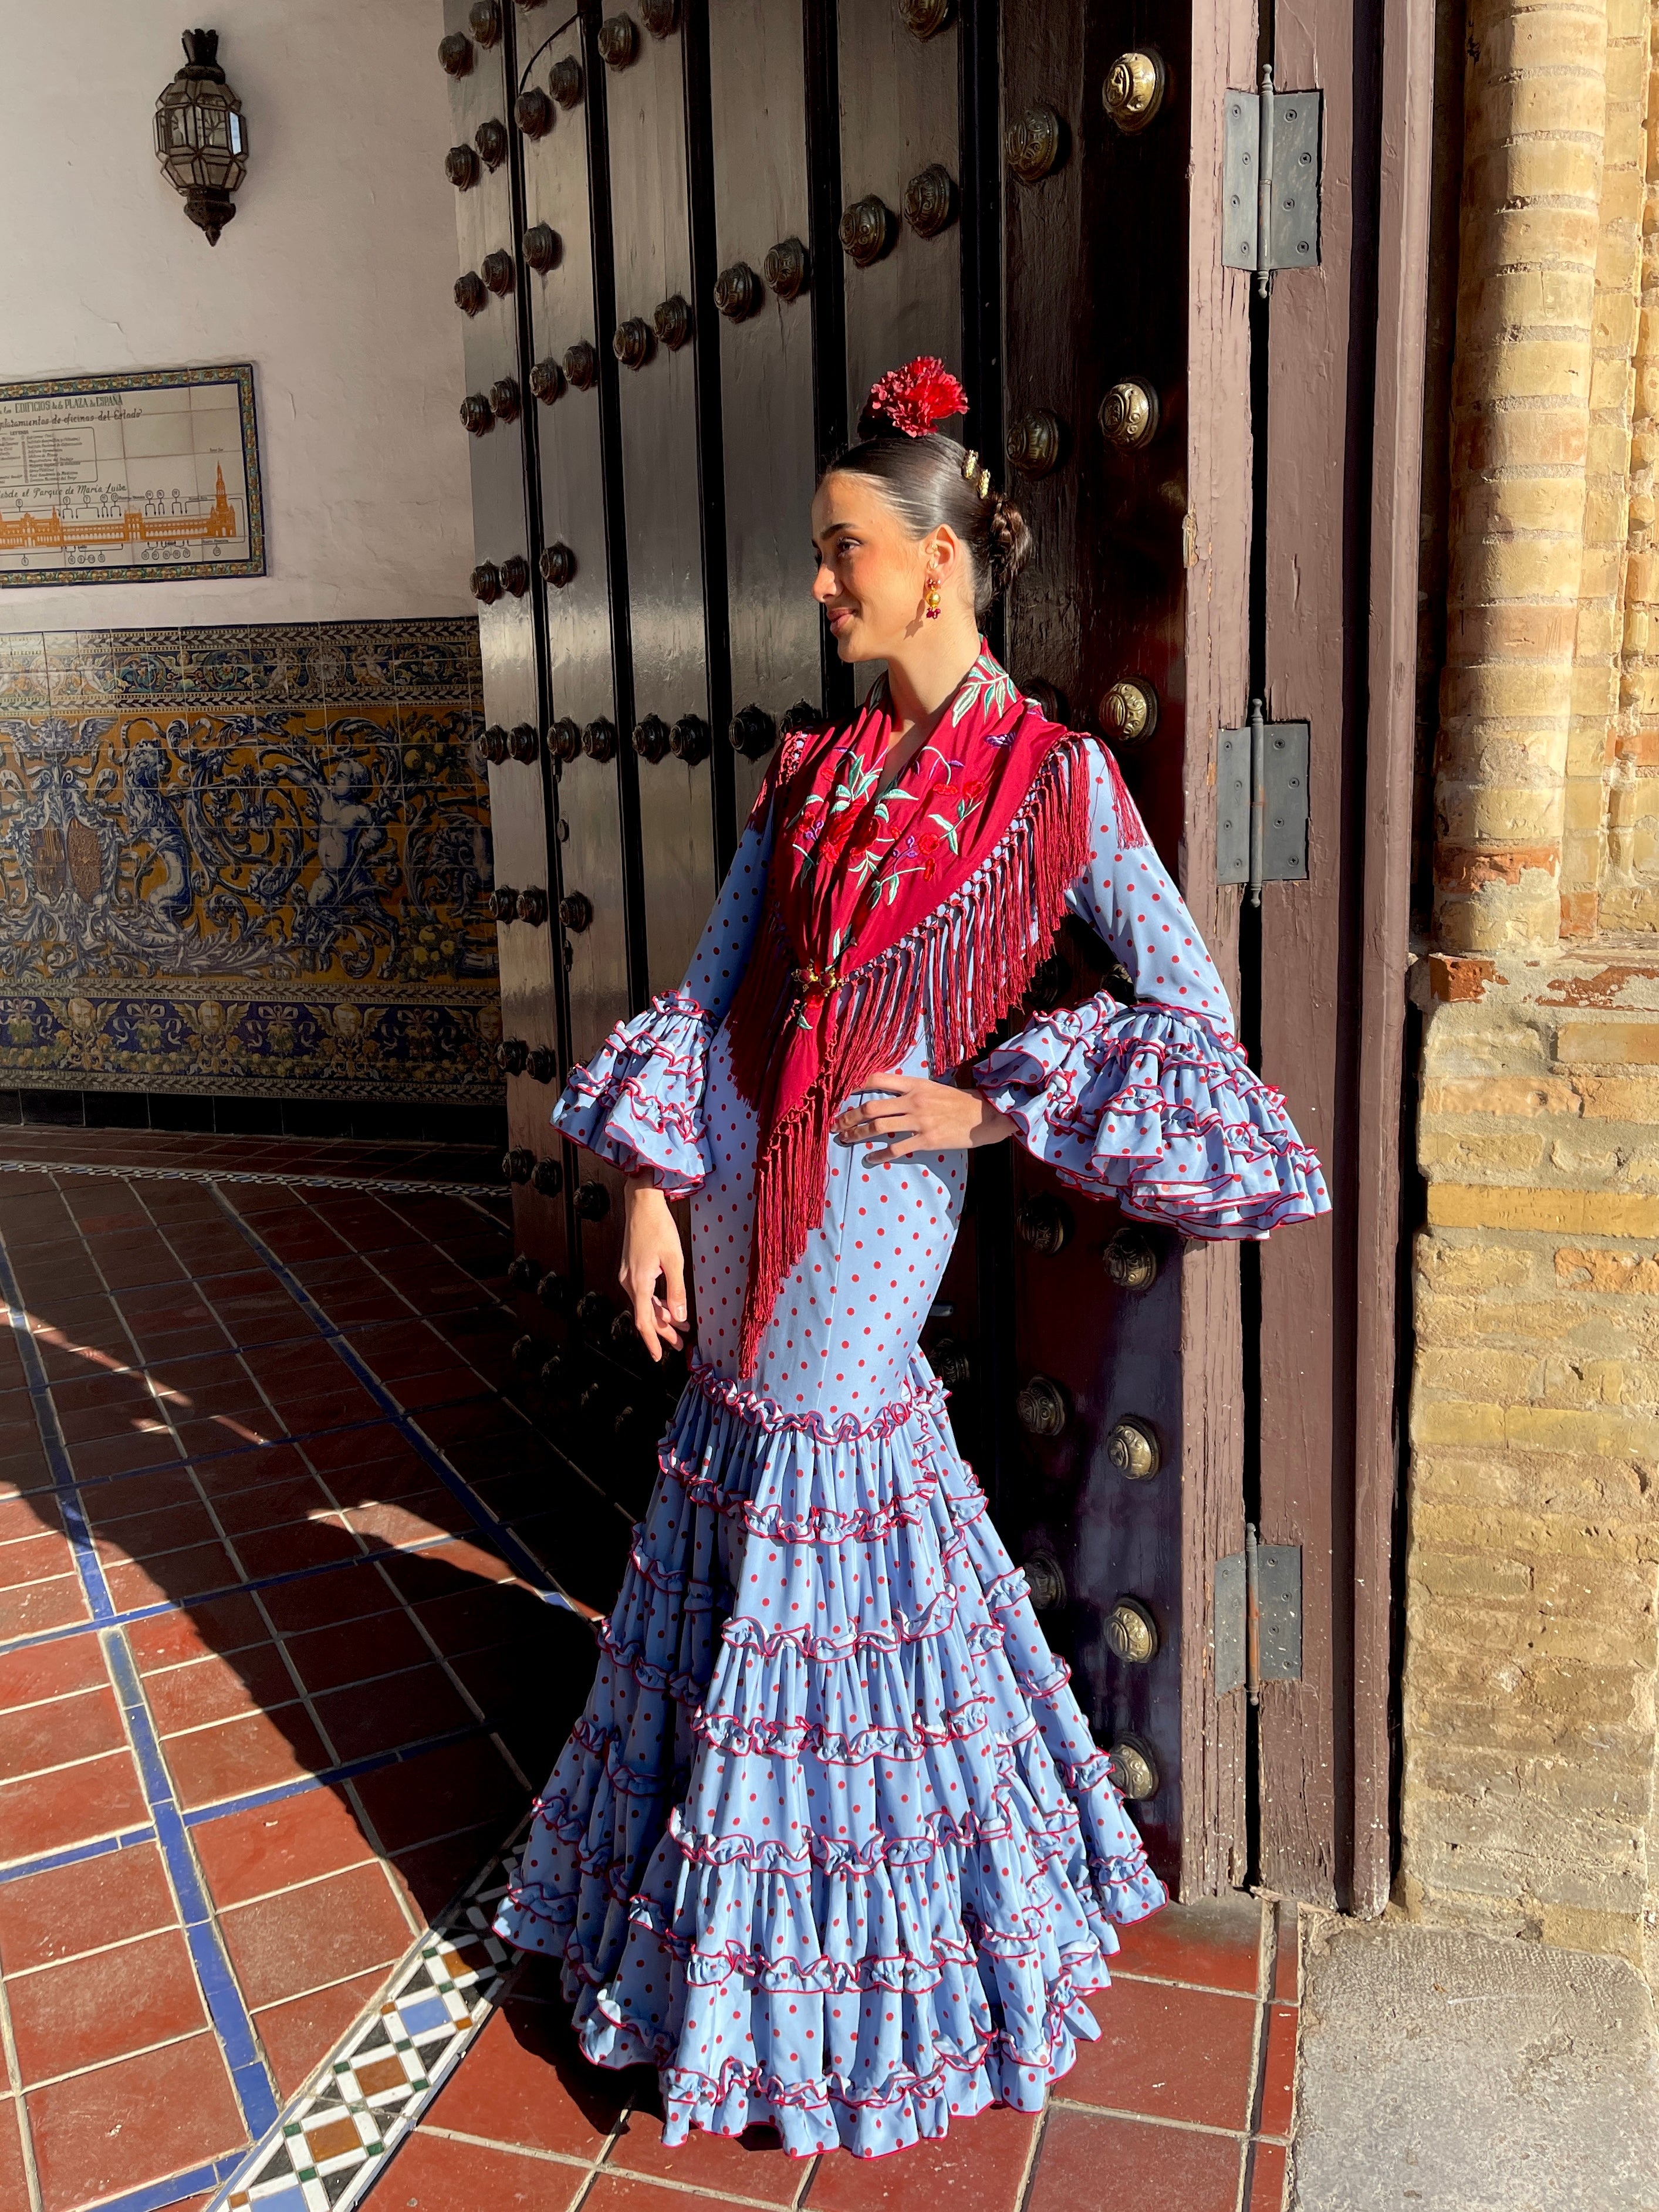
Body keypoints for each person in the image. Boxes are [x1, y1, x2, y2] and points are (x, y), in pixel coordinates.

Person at [494, 357, 1330, 2157]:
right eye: (821, 554)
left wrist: (995, 1107)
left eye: (842, 551)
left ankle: (845, 1983)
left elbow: (1185, 1004)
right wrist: (643, 1188)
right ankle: (720, 1956)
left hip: (869, 1214)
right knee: (740, 1508)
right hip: (725, 1187)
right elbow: (715, 988)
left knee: (831, 1524)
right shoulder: (814, 770)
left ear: (938, 564)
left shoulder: (1056, 783)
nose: (822, 584)